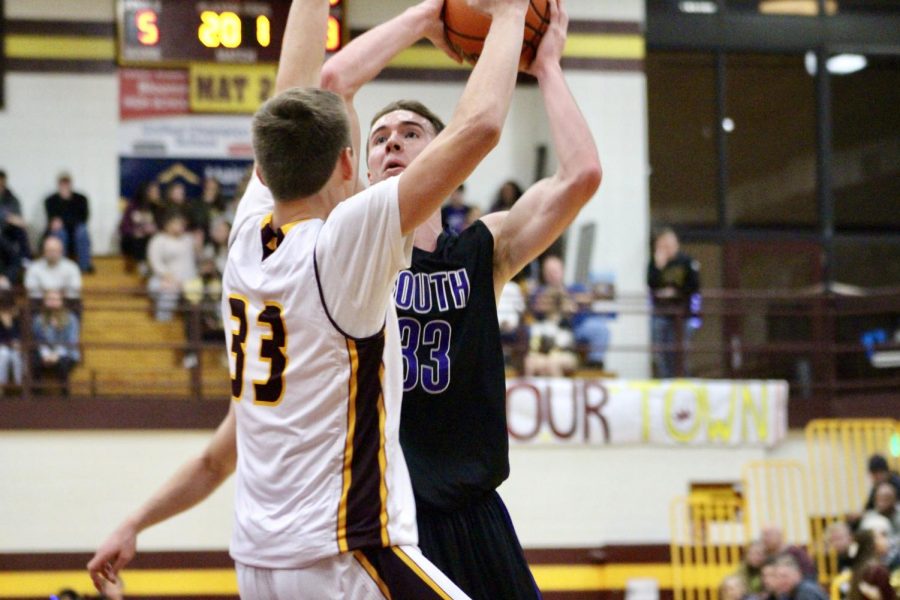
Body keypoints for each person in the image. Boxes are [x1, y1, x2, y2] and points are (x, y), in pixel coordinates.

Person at [89, 0, 530, 597]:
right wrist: (506, 16)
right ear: (350, 164)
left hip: (259, 560)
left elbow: (291, 93)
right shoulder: (344, 248)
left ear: (263, 175)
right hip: (343, 552)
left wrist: (135, 521)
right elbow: (479, 128)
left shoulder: (246, 237)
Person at [320, 0, 601, 596]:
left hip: (474, 509)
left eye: (411, 134)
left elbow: (582, 175)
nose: (391, 143)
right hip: (391, 516)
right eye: (379, 138)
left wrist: (547, 64)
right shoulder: (352, 239)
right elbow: (336, 80)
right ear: (364, 168)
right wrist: (427, 17)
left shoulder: (484, 247)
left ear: (445, 155)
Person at [648, 226, 700, 378]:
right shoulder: (655, 263)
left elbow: (694, 285)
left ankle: (682, 381)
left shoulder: (687, 261)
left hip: (682, 315)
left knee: (679, 353)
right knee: (661, 352)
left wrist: (675, 291)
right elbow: (651, 283)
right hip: (661, 313)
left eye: (668, 244)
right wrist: (658, 267)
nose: (666, 248)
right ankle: (666, 381)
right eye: (662, 245)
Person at [146, 213, 196, 322]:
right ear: (167, 225)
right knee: (168, 289)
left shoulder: (188, 239)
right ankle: (163, 323)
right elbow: (155, 262)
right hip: (164, 278)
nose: (180, 226)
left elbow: (195, 261)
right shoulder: (158, 240)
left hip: (189, 279)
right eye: (176, 223)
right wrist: (167, 276)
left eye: (181, 224)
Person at [31, 289, 80, 392]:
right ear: (44, 302)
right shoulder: (38, 319)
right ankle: (37, 397)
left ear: (61, 301)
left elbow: (71, 341)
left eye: (55, 299)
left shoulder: (71, 318)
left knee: (63, 364)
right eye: (49, 299)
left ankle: (65, 397)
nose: (52, 302)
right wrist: (45, 354)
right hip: (46, 353)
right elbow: (37, 340)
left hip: (68, 353)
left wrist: (57, 354)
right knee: (35, 362)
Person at [44, 172, 93, 273]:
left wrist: (64, 221)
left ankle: (84, 267)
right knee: (59, 232)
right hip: (61, 232)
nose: (65, 186)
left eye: (67, 183)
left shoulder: (81, 199)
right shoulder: (51, 200)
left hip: (76, 231)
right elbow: (52, 220)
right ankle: (61, 266)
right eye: (62, 183)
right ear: (58, 184)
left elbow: (83, 218)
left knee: (82, 230)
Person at [24, 236, 82, 301]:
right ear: (44, 251)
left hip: (65, 301)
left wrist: (56, 295)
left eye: (55, 250)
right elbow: (30, 287)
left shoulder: (72, 267)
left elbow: (75, 287)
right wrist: (50, 295)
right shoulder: (34, 267)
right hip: (40, 302)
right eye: (49, 250)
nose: (52, 254)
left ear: (61, 251)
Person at [119, 181, 159, 273]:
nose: (157, 193)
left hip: (153, 238)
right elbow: (123, 227)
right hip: (134, 239)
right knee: (138, 237)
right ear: (146, 192)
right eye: (154, 191)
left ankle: (152, 265)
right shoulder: (133, 206)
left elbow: (163, 226)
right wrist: (135, 231)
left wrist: (154, 229)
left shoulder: (158, 207)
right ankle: (142, 264)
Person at [848, 529, 897, 600]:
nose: (886, 540)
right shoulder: (878, 571)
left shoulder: (860, 567)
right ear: (873, 544)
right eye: (881, 536)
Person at [0, 291, 23, 390]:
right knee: (3, 354)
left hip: (16, 345)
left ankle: (20, 385)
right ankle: (1, 385)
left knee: (17, 355)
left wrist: (16, 341)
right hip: (2, 345)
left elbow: (22, 334)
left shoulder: (18, 316)